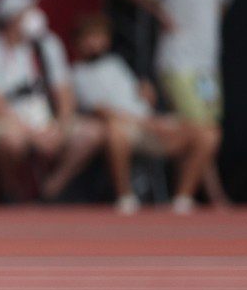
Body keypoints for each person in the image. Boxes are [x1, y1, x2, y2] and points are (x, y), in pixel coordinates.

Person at [121, 0, 233, 209]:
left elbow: (222, 1)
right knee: (201, 128)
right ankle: (190, 196)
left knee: (207, 128)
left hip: (207, 64)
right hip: (179, 62)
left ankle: (207, 194)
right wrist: (160, 14)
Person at [71, 14, 215, 213]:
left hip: (152, 124)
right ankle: (126, 198)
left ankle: (183, 199)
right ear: (79, 42)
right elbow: (103, 111)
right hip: (131, 128)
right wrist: (145, 122)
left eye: (99, 36)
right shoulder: (78, 74)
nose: (95, 42)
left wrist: (148, 97)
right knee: (115, 131)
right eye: (90, 37)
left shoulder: (117, 64)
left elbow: (140, 99)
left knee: (208, 133)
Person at [0, 0, 105, 201]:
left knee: (92, 132)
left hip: (46, 118)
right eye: (27, 11)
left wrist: (60, 126)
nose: (35, 15)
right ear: (11, 18)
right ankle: (13, 194)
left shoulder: (48, 44)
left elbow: (64, 91)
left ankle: (51, 189)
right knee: (12, 141)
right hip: (9, 120)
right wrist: (33, 135)